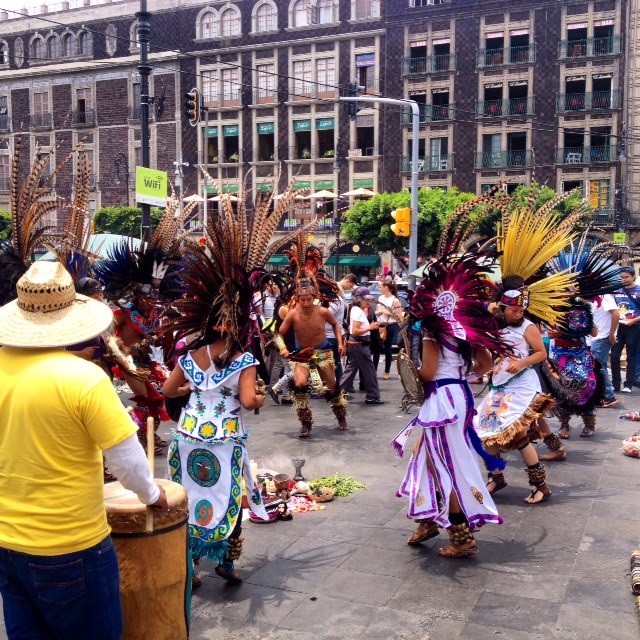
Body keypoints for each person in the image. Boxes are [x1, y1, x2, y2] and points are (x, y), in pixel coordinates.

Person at [0, 261, 168, 640]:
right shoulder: (84, 377)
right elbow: (126, 460)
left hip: (8, 543)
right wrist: (153, 495)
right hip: (70, 547)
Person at [393, 250, 506, 558]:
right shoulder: (466, 328)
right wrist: (461, 377)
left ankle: (462, 536)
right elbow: (486, 364)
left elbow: (429, 372)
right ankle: (428, 520)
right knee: (425, 458)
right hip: (458, 396)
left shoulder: (434, 329)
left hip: (442, 401)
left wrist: (412, 375)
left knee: (445, 464)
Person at [276, 278, 348, 436]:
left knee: (332, 387)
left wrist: (340, 343)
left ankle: (340, 415)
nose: (306, 303)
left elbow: (336, 325)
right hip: (302, 355)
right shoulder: (293, 314)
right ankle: (305, 422)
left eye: (309, 299)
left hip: (322, 353)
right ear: (297, 299)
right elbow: (278, 334)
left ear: (314, 297)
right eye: (302, 300)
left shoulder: (323, 311)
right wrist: (283, 348)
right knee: (299, 385)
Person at [340, 287, 384, 405]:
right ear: (360, 300)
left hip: (356, 343)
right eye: (366, 299)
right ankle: (372, 396)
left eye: (369, 299)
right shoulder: (358, 311)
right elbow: (355, 331)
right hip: (359, 343)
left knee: (351, 369)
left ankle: (336, 393)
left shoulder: (357, 310)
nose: (368, 302)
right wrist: (370, 327)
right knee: (369, 370)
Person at [611, 267, 640, 394]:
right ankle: (615, 383)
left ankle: (628, 384)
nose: (623, 280)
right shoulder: (616, 290)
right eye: (622, 277)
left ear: (633, 277)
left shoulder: (638, 290)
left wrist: (633, 321)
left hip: (634, 327)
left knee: (631, 356)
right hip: (619, 327)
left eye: (626, 277)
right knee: (614, 355)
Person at [591, 294, 619, 407]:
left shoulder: (605, 296)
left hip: (602, 337)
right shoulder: (590, 297)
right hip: (595, 338)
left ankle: (608, 396)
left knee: (599, 367)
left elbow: (616, 313)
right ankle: (603, 395)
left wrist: (612, 334)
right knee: (599, 366)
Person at [375, 280, 403, 379]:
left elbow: (400, 316)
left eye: (381, 287)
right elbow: (377, 310)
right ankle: (374, 370)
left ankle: (387, 371)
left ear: (386, 288)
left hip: (389, 325)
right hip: (379, 324)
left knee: (388, 348)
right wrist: (378, 312)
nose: (379, 289)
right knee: (376, 349)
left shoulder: (395, 300)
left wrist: (389, 313)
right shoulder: (380, 298)